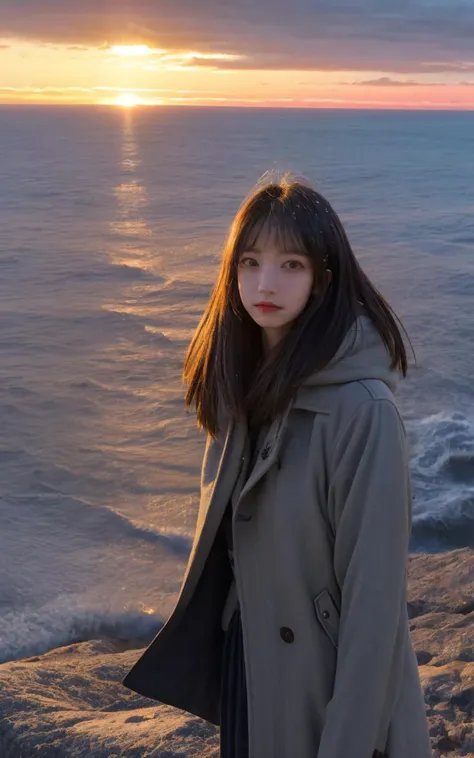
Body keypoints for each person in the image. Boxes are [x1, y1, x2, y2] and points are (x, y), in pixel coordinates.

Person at [122, 176, 433, 758]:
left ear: (323, 277)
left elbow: (376, 611)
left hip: (327, 689)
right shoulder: (238, 395)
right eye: (250, 262)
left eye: (291, 264)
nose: (266, 284)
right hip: (253, 670)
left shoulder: (363, 412)